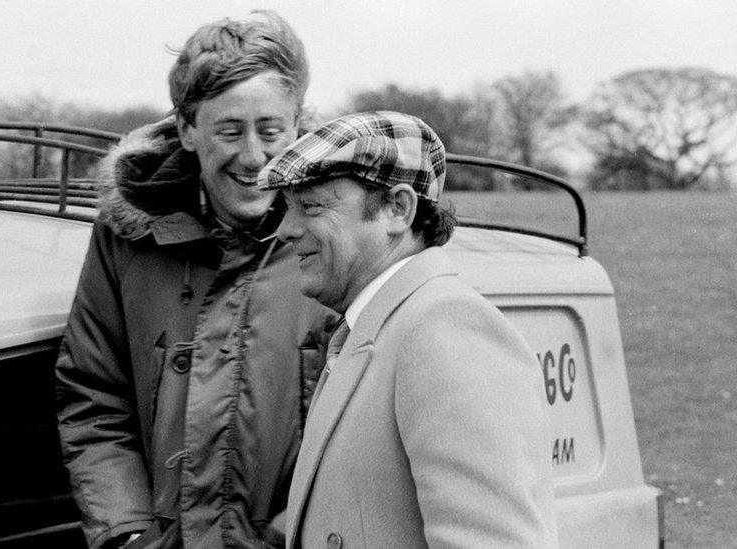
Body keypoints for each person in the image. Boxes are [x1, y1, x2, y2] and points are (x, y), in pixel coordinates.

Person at [55, 11, 336, 549]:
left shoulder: (340, 238)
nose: (253, 157)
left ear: (297, 125)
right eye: (229, 131)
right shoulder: (126, 239)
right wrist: (127, 534)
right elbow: (94, 396)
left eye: (270, 130)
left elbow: (366, 423)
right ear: (187, 129)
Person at [259, 111, 559, 548]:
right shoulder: (378, 329)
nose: (286, 229)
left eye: (312, 206)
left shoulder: (447, 330)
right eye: (288, 208)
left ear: (397, 209)